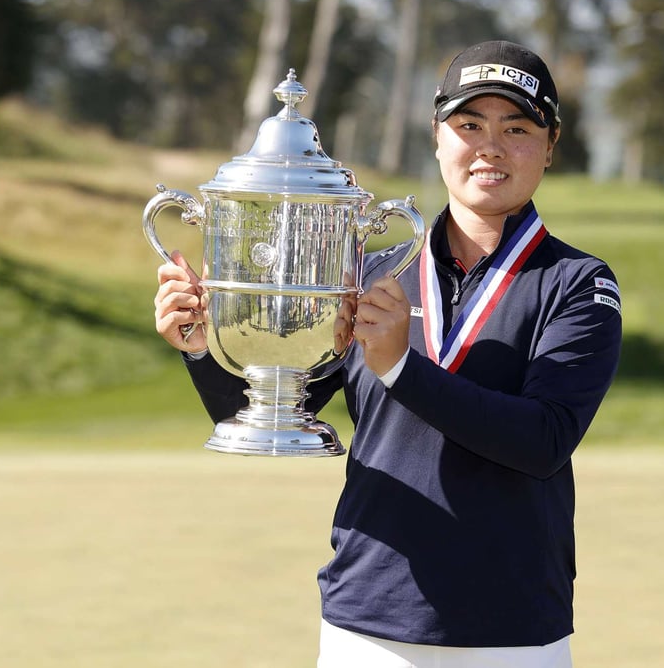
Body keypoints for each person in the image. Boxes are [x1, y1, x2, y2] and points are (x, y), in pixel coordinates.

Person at [154, 40, 622, 668]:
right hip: (368, 620)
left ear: (550, 144)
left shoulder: (577, 283)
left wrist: (402, 367)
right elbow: (270, 408)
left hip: (512, 627)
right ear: (437, 136)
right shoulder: (369, 274)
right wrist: (203, 349)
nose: (490, 146)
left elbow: (543, 440)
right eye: (468, 125)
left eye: (517, 127)